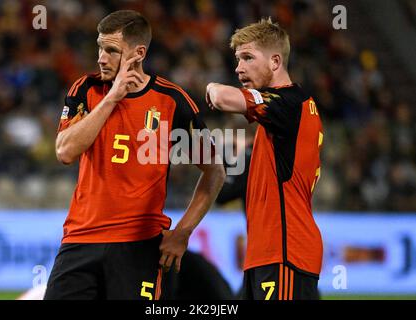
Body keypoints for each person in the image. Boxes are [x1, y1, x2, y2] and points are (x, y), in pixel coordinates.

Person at [44, 10, 225, 300]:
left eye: (112, 50)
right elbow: (65, 151)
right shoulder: (87, 89)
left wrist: (183, 232)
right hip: (80, 240)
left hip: (139, 246)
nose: (101, 57)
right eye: (100, 48)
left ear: (138, 53)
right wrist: (113, 97)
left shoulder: (171, 101)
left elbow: (215, 170)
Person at [206, 18, 324, 300]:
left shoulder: (289, 103)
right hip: (264, 255)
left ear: (275, 61)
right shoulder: (284, 114)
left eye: (247, 57)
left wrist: (210, 86)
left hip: (285, 253)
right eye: (237, 59)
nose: (238, 68)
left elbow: (222, 97)